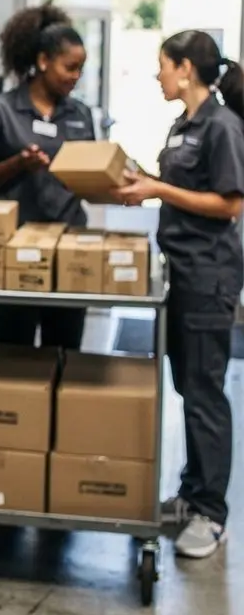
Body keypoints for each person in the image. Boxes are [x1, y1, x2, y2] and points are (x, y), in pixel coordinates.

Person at [115, 30, 244, 560]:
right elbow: (180, 190)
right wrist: (139, 180)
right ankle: (192, 495)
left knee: (206, 391)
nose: (159, 75)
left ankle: (212, 514)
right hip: (182, 273)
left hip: (209, 276)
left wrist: (159, 190)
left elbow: (230, 203)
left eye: (164, 66)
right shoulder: (183, 125)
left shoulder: (222, 126)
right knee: (188, 386)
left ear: (186, 68)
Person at [0, 4, 94, 349]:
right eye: (69, 67)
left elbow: (91, 170)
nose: (75, 77)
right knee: (13, 357)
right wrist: (18, 164)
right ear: (42, 61)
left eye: (80, 69)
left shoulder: (80, 114)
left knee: (64, 354)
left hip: (69, 248)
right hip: (14, 251)